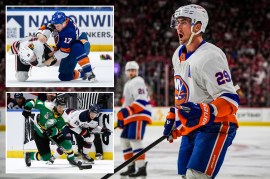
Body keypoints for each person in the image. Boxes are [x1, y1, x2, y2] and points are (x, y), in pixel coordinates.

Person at [163, 4, 240, 179]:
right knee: (185, 175)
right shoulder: (178, 54)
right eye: (177, 22)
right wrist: (176, 116)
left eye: (183, 22)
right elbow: (184, 93)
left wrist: (207, 110)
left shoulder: (210, 56)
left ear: (197, 27)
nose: (178, 27)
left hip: (216, 125)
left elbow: (231, 99)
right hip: (192, 127)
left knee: (195, 176)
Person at [36, 11, 96, 82]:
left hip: (82, 45)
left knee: (76, 47)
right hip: (67, 49)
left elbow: (64, 52)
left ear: (64, 23)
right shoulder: (58, 21)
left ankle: (89, 72)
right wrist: (40, 34)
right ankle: (82, 73)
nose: (56, 27)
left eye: (58, 26)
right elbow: (46, 26)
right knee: (64, 77)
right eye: (55, 25)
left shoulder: (70, 31)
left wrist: (51, 59)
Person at [117, 61, 152, 177]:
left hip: (139, 114)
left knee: (134, 140)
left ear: (137, 71)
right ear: (126, 72)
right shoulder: (129, 83)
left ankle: (141, 167)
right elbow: (127, 102)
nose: (131, 72)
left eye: (134, 70)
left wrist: (126, 112)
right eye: (129, 70)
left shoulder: (138, 81)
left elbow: (141, 101)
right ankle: (131, 166)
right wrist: (122, 117)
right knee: (124, 140)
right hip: (132, 115)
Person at [22, 97, 78, 167]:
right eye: (59, 106)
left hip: (53, 133)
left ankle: (71, 159)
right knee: (46, 158)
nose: (61, 109)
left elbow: (59, 129)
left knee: (67, 145)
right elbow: (34, 102)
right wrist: (27, 107)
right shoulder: (47, 106)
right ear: (55, 105)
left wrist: (52, 131)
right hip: (40, 133)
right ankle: (29, 155)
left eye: (63, 107)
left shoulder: (64, 117)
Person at [47, 104, 111, 164]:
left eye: (95, 114)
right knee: (67, 143)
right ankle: (53, 157)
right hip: (67, 125)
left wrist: (103, 130)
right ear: (89, 111)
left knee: (90, 138)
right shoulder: (82, 116)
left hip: (76, 126)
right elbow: (71, 125)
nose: (93, 115)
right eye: (92, 113)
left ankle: (84, 156)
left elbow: (93, 127)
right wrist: (82, 132)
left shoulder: (95, 118)